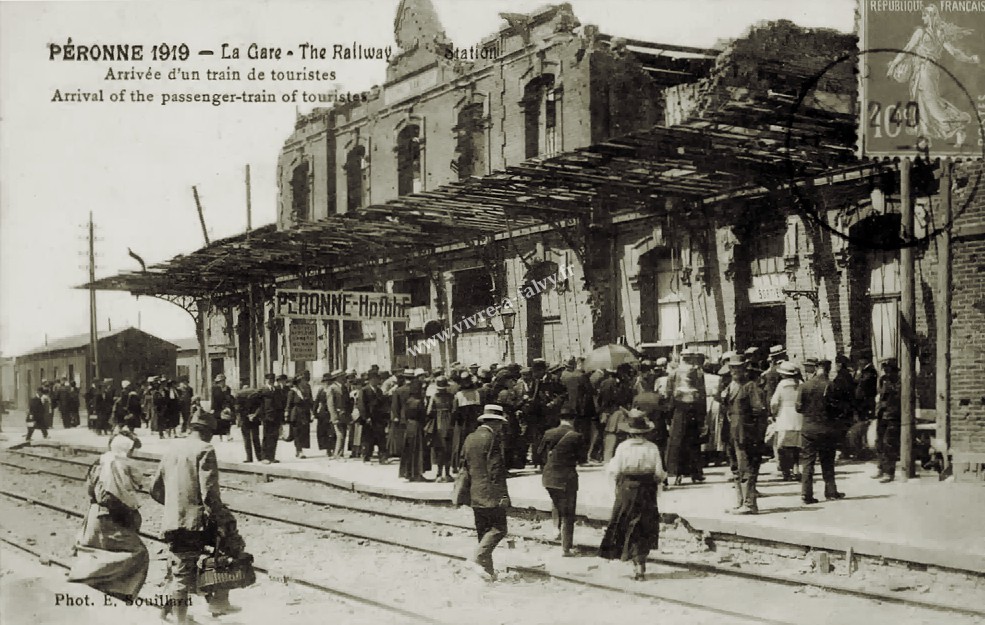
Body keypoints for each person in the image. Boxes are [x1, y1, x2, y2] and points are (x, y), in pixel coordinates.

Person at [150, 409, 243, 623]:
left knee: (179, 566)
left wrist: (176, 505)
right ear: (207, 431)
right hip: (194, 524)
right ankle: (193, 615)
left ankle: (167, 611)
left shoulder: (172, 448)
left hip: (174, 521)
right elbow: (209, 493)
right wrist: (221, 520)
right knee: (229, 548)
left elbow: (154, 489)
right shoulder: (205, 449)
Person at [68, 432, 149, 602]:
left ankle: (100, 587)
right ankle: (87, 578)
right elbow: (113, 497)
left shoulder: (103, 460)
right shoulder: (115, 465)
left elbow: (92, 490)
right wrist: (131, 514)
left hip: (94, 516)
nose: (132, 454)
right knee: (137, 553)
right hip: (107, 518)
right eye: (131, 450)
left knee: (102, 551)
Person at [598, 410, 666, 581]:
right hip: (647, 490)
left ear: (629, 431)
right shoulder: (652, 448)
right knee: (644, 525)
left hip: (627, 489)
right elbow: (659, 473)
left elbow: (614, 470)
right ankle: (640, 562)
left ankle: (631, 560)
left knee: (625, 523)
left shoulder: (623, 448)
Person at [461, 405, 511, 580]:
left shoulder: (470, 437)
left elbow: (464, 464)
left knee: (483, 532)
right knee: (499, 528)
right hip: (491, 493)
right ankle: (476, 559)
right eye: (500, 424)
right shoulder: (492, 439)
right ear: (496, 423)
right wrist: (503, 495)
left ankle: (488, 572)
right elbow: (496, 470)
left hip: (475, 491)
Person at [797, 359, 846, 504]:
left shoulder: (804, 386)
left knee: (807, 462)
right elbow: (838, 408)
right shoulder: (831, 386)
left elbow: (798, 408)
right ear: (828, 369)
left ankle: (806, 494)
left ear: (816, 368)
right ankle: (831, 491)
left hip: (808, 429)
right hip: (827, 429)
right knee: (828, 461)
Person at [724, 354, 767, 515]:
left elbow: (759, 410)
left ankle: (749, 504)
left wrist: (752, 430)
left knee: (745, 468)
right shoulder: (730, 386)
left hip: (745, 434)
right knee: (735, 468)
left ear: (744, 369)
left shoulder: (750, 386)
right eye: (733, 368)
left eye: (739, 368)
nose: (735, 371)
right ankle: (740, 501)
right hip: (732, 433)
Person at [539, 407, 584, 556]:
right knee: (568, 513)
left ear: (560, 419)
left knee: (556, 502)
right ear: (573, 420)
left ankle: (555, 530)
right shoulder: (576, 436)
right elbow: (582, 459)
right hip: (567, 477)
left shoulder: (548, 433)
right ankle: (566, 548)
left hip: (549, 476)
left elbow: (538, 454)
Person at [665, 351, 707, 485]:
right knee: (693, 441)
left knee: (677, 442)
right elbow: (702, 394)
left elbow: (668, 393)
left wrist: (668, 415)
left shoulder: (674, 373)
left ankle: (677, 473)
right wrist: (702, 416)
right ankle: (695, 473)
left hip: (678, 409)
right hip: (693, 409)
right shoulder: (698, 373)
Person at [770, 361, 803, 481]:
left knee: (783, 446)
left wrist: (773, 413)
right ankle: (796, 468)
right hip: (798, 417)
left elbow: (774, 402)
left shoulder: (782, 385)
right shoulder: (800, 383)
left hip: (784, 417)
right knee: (797, 446)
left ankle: (786, 470)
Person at [874, 358, 902, 482]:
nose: (886, 373)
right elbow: (880, 394)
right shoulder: (883, 380)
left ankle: (889, 472)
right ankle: (881, 467)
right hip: (882, 415)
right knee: (879, 442)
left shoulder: (899, 381)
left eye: (888, 370)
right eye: (885, 370)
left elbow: (897, 397)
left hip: (893, 415)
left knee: (889, 443)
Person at [452, 371, 483, 472]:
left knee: (459, 443)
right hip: (471, 422)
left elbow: (454, 410)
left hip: (462, 422)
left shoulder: (459, 395)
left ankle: (459, 465)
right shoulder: (475, 393)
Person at [399, 378, 429, 482]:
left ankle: (409, 472)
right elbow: (423, 416)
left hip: (409, 426)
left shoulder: (408, 401)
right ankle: (418, 473)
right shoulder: (418, 402)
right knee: (418, 450)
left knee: (409, 450)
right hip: (417, 426)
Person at [427, 376, 454, 480]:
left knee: (439, 450)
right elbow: (454, 409)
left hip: (437, 425)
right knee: (448, 449)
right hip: (449, 424)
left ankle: (438, 474)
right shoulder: (451, 396)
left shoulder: (434, 397)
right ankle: (447, 474)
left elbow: (429, 412)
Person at [359, 371, 389, 463]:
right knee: (368, 438)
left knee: (381, 438)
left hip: (379, 418)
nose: (376, 381)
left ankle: (382, 457)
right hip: (369, 418)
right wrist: (365, 417)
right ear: (370, 380)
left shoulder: (379, 391)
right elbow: (361, 405)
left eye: (378, 379)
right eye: (375, 379)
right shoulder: (364, 390)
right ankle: (366, 456)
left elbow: (383, 404)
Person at [326, 370, 351, 458]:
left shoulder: (344, 387)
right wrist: (334, 416)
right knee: (340, 434)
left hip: (344, 414)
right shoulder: (332, 388)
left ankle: (340, 453)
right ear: (337, 378)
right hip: (337, 414)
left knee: (343, 434)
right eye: (342, 376)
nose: (344, 378)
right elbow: (330, 404)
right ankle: (336, 453)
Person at [259, 373, 282, 464]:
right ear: (266, 381)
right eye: (269, 380)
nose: (271, 382)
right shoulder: (262, 390)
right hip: (267, 417)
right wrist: (261, 416)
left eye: (272, 380)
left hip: (276, 417)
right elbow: (260, 405)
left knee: (274, 437)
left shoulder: (277, 390)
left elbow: (280, 403)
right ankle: (264, 457)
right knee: (266, 437)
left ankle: (272, 456)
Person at [286, 376, 311, 459]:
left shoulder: (303, 391)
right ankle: (299, 451)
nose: (304, 382)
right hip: (295, 414)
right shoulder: (292, 392)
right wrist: (287, 415)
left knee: (302, 433)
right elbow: (288, 405)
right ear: (298, 382)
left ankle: (299, 450)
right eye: (302, 381)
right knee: (296, 433)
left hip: (303, 414)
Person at [237, 387, 262, 463]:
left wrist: (245, 416)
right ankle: (259, 456)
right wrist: (254, 415)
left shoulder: (239, 396)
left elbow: (238, 409)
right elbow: (260, 406)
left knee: (247, 439)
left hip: (245, 419)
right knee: (256, 438)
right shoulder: (256, 396)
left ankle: (249, 458)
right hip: (254, 418)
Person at [314, 373, 336, 457]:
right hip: (323, 413)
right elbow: (316, 401)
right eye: (326, 381)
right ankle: (328, 449)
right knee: (324, 432)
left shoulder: (334, 389)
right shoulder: (321, 390)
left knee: (332, 431)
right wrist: (314, 412)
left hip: (332, 411)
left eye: (329, 381)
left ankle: (334, 448)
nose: (327, 383)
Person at [854, 350, 878, 424]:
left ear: (865, 360)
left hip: (867, 398)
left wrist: (859, 373)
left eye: (860, 360)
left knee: (867, 419)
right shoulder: (864, 370)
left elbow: (860, 381)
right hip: (863, 399)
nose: (859, 362)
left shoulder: (870, 370)